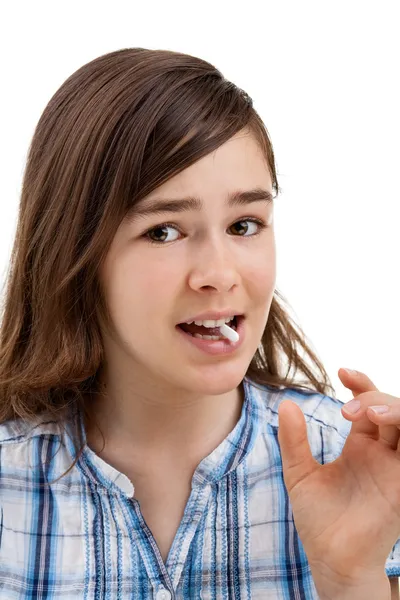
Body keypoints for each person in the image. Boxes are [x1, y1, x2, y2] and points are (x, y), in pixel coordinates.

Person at [0, 47, 399, 600]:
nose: (219, 273)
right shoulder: (8, 480)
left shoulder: (354, 464)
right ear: (77, 253)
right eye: (164, 231)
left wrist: (353, 579)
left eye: (245, 223)